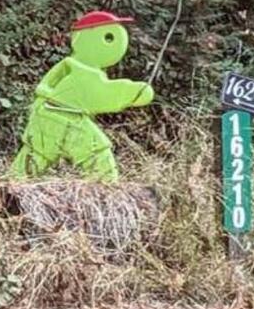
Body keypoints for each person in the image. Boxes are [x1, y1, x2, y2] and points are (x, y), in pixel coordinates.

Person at [10, 11, 154, 182]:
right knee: (39, 155)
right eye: (108, 37)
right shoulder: (73, 67)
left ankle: (102, 185)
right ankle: (12, 184)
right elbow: (101, 95)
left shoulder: (88, 73)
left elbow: (98, 93)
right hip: (52, 115)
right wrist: (133, 92)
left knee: (93, 149)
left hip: (68, 117)